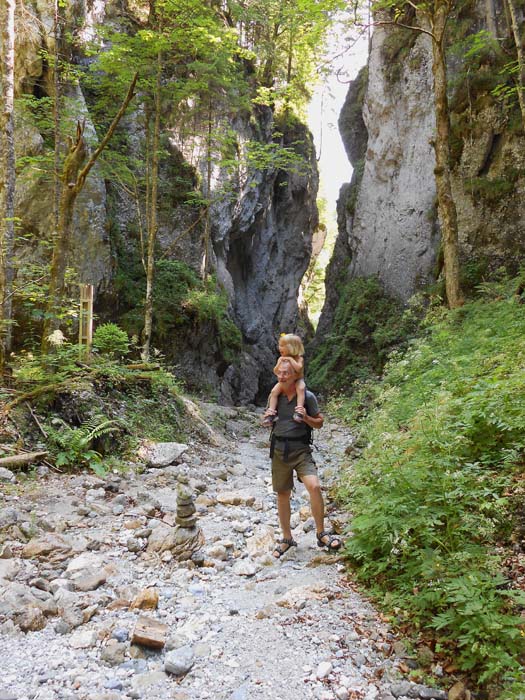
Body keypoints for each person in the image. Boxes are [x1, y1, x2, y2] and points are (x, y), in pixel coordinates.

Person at [262, 359, 342, 558]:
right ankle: (287, 538)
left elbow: (320, 423)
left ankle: (321, 533)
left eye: (286, 373)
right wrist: (267, 418)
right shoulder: (276, 394)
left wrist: (306, 417)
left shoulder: (307, 397)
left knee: (314, 486)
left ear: (295, 375)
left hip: (301, 449)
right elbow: (267, 420)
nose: (282, 376)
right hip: (279, 449)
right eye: (279, 373)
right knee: (283, 494)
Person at [262, 333, 306, 427]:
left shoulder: (299, 358)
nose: (279, 348)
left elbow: (298, 369)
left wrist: (290, 359)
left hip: (297, 380)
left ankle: (299, 411)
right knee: (274, 391)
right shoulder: (281, 358)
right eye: (279, 345)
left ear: (292, 347)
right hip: (283, 382)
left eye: (282, 345)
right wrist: (280, 363)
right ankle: (271, 413)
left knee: (301, 389)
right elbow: (275, 370)